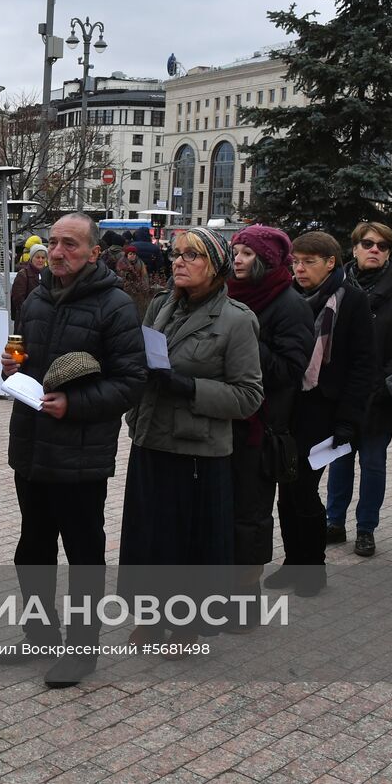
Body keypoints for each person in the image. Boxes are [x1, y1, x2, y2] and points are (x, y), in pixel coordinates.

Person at [0, 213, 147, 688]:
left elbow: (131, 382)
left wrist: (75, 404)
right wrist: (11, 368)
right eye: (54, 243)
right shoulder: (38, 297)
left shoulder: (115, 305)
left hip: (81, 451)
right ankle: (40, 633)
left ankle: (83, 650)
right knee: (33, 547)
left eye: (70, 245)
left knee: (82, 551)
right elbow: (33, 368)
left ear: (93, 253)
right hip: (32, 444)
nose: (58, 252)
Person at [119, 227, 263, 645]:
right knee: (150, 537)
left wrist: (189, 388)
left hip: (197, 449)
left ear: (216, 267)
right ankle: (151, 615)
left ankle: (186, 624)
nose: (179, 262)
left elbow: (249, 396)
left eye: (192, 256)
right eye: (177, 254)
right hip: (151, 439)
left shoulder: (236, 320)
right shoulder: (161, 306)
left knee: (189, 542)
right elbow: (141, 362)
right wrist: (134, 412)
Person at [263, 231, 375, 597]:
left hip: (325, 409)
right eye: (295, 261)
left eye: (309, 261)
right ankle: (293, 560)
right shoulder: (290, 297)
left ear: (331, 263)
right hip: (289, 405)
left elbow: (362, 365)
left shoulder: (352, 299)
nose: (299, 268)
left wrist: (348, 420)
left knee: (304, 489)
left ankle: (314, 567)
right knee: (285, 487)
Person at [226, 226, 314, 623]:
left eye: (246, 254)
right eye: (236, 252)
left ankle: (245, 604)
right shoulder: (229, 293)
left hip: (260, 428)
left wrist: (246, 337)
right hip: (224, 421)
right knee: (223, 513)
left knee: (250, 517)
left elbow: (289, 371)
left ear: (267, 260)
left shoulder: (290, 304)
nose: (238, 260)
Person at [328, 222, 392, 557]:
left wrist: (385, 377)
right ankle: (334, 522)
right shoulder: (336, 285)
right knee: (340, 461)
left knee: (373, 463)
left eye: (383, 246)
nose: (376, 250)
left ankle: (366, 528)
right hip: (342, 393)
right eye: (369, 244)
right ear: (354, 247)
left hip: (381, 394)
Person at [115, 246, 154, 321]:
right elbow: (120, 275)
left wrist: (145, 287)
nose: (132, 256)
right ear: (127, 255)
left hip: (138, 289)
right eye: (130, 254)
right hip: (126, 289)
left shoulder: (140, 262)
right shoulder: (121, 263)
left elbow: (144, 275)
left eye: (134, 254)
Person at [9, 243, 44, 320]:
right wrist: (29, 314)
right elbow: (18, 300)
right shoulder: (23, 274)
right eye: (37, 257)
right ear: (31, 258)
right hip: (25, 320)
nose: (40, 260)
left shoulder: (47, 274)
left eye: (43, 257)